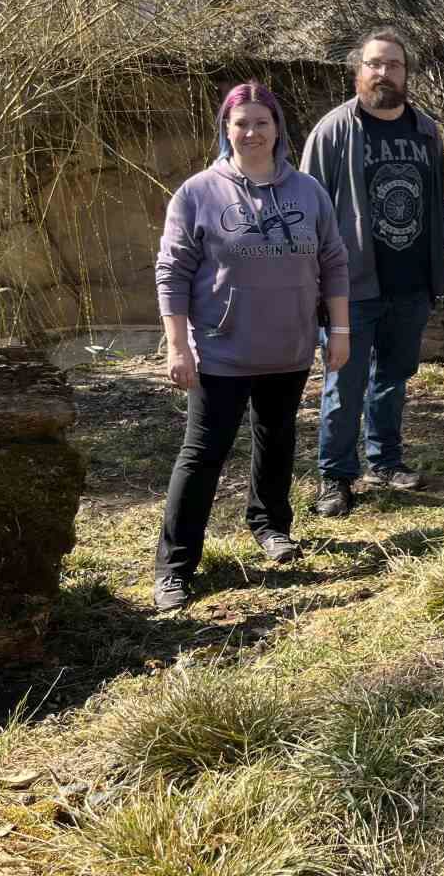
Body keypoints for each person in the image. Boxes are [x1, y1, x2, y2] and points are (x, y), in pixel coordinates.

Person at [152, 82, 349, 611]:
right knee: (203, 455)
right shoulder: (197, 193)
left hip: (289, 349)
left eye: (262, 122)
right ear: (227, 129)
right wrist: (178, 345)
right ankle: (174, 568)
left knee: (277, 439)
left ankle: (271, 526)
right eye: (241, 123)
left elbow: (334, 261)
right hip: (221, 354)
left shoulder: (308, 191)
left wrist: (340, 331)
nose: (252, 132)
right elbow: (171, 272)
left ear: (278, 128)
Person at [301, 26, 444, 516]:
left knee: (393, 378)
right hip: (350, 287)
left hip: (410, 284)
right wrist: (315, 286)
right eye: (374, 64)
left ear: (407, 74)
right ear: (358, 71)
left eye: (394, 65)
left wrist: (439, 278)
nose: (384, 72)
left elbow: (436, 208)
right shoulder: (332, 131)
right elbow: (307, 214)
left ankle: (385, 461)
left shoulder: (426, 131)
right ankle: (335, 477)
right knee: (343, 385)